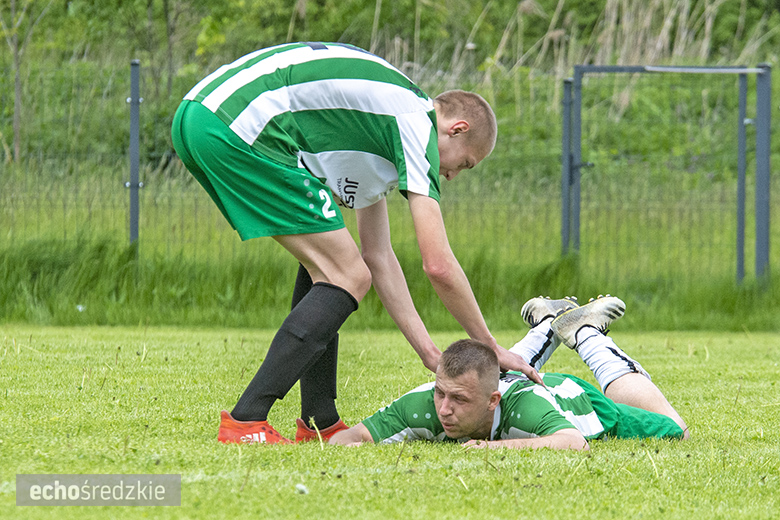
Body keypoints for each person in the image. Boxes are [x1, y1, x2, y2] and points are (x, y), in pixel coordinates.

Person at [170, 41, 540, 445]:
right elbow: (437, 264)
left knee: (331, 270)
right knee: (344, 274)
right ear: (456, 129)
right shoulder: (415, 122)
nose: (452, 176)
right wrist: (490, 345)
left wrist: (428, 353)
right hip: (236, 125)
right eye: (464, 163)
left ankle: (319, 422)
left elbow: (378, 257)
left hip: (200, 115)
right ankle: (246, 421)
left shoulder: (376, 135)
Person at [330, 295, 690, 449]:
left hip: (574, 398)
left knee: (678, 431)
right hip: (507, 383)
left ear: (492, 402)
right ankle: (549, 321)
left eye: (458, 400)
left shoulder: (528, 409)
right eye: (442, 393)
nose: (444, 409)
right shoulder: (424, 403)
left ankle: (586, 333)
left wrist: (497, 448)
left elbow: (573, 443)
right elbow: (350, 439)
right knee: (486, 369)